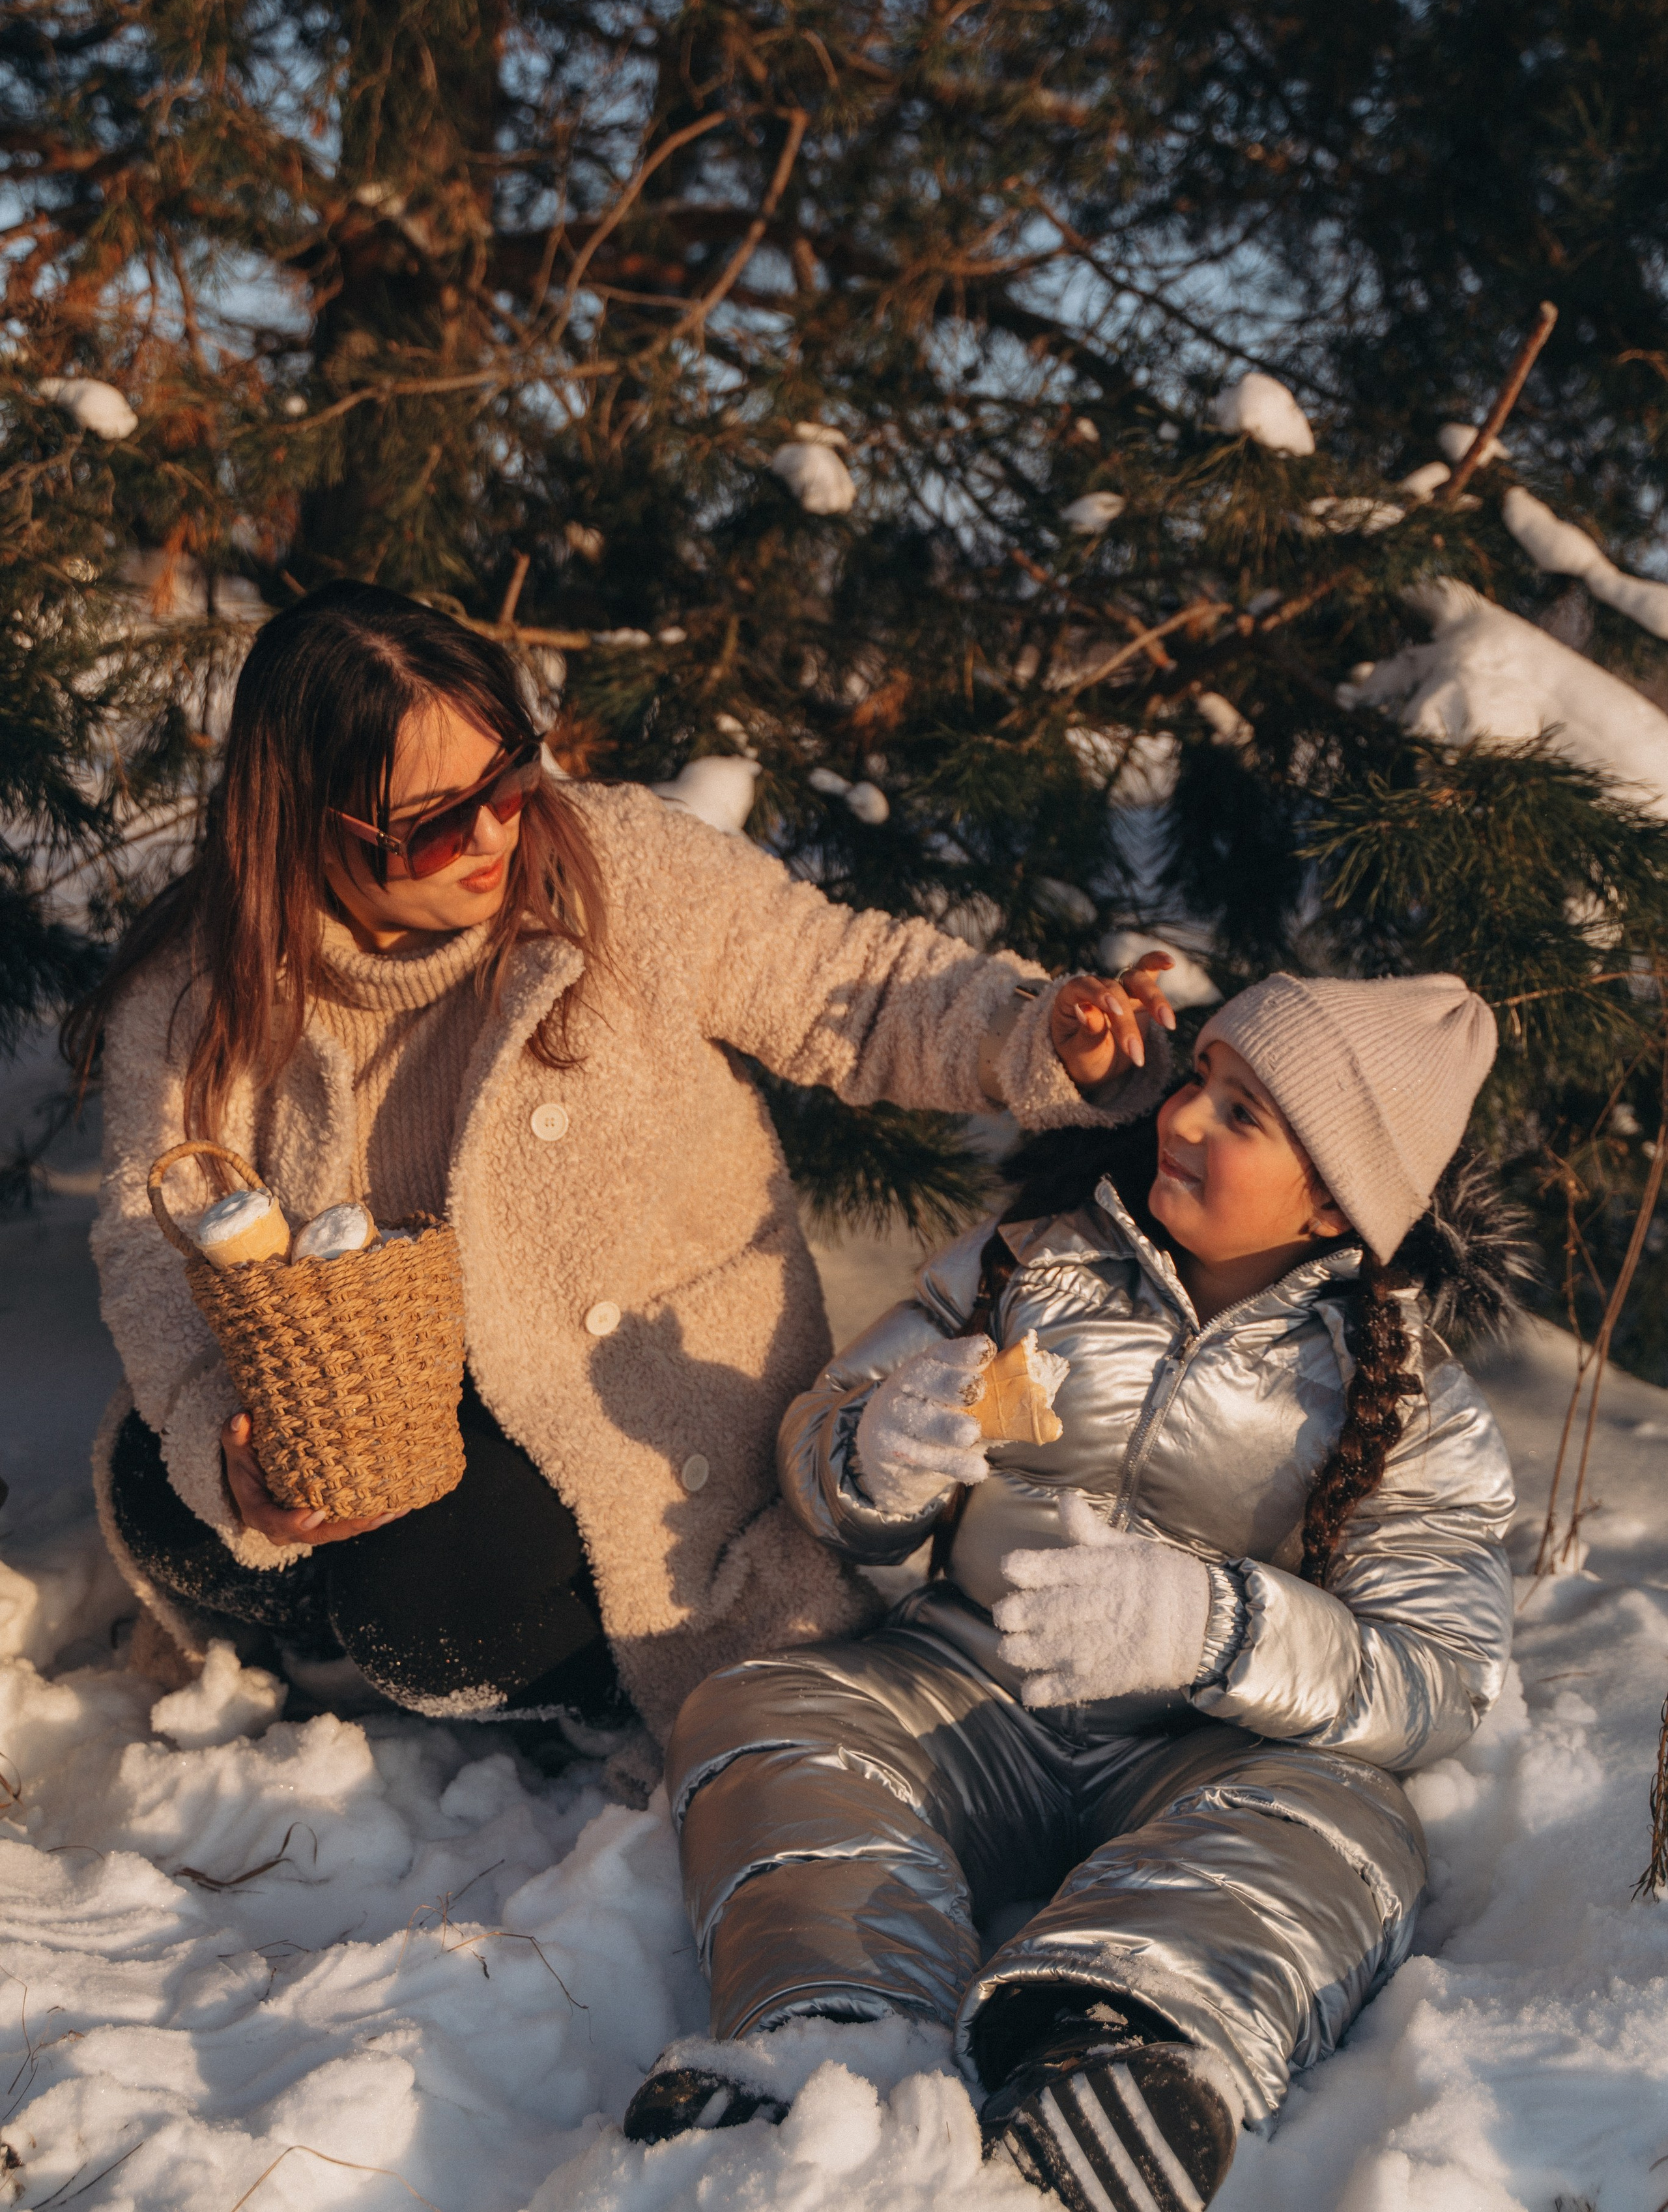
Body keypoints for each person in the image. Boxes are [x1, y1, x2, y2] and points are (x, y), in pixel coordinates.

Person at [69, 579, 1169, 1766]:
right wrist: (229, 1468)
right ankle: (328, 1637)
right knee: (154, 1485)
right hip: (367, 1409)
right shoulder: (197, 995)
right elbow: (150, 1246)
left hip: (623, 1404)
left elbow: (856, 986)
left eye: (508, 778)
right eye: (436, 823)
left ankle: (553, 1678)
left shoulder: (619, 869)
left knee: (433, 1597)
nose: (494, 834)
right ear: (308, 827)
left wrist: (1040, 1034)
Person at [629, 972, 1523, 2210]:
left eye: (1243, 1113)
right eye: (1199, 1078)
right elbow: (817, 1442)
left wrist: (1214, 1626)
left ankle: (1114, 2040)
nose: (1185, 1117)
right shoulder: (1029, 1264)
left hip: (1200, 1751)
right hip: (962, 1693)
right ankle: (837, 2021)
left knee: (1351, 1830)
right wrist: (873, 1451)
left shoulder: (1408, 1405)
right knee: (761, 1711)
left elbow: (1436, 1674)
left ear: (1335, 1200)